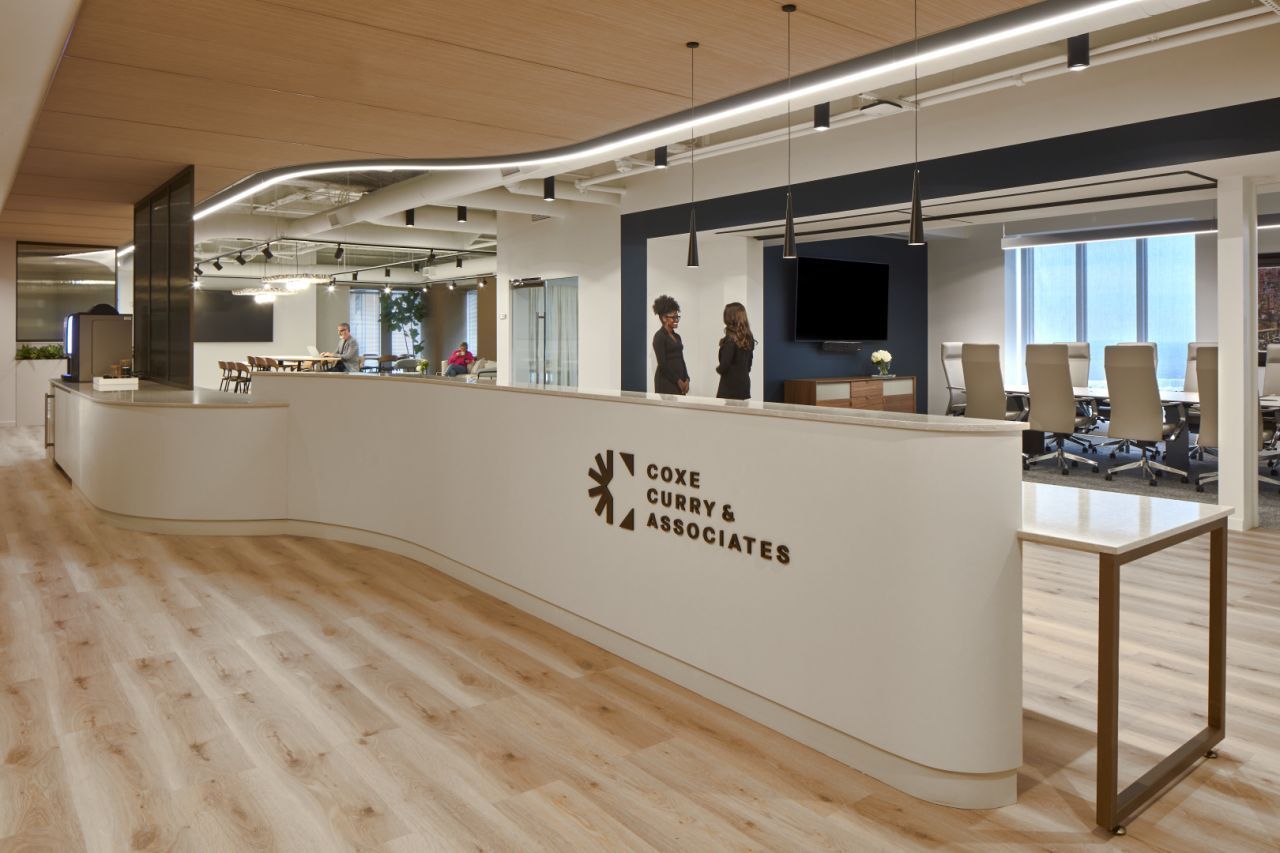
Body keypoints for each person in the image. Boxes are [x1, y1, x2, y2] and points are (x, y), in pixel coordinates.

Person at [716, 302, 756, 400]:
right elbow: (749, 365)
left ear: (729, 317)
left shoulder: (730, 340)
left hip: (729, 388)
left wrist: (718, 369)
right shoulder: (749, 339)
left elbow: (725, 365)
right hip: (744, 386)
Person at [651, 294, 689, 395]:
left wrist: (687, 378)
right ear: (664, 318)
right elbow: (662, 364)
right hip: (666, 383)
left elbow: (681, 359)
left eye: (677, 317)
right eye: (673, 317)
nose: (676, 320)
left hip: (679, 382)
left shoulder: (677, 337)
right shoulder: (659, 337)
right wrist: (678, 381)